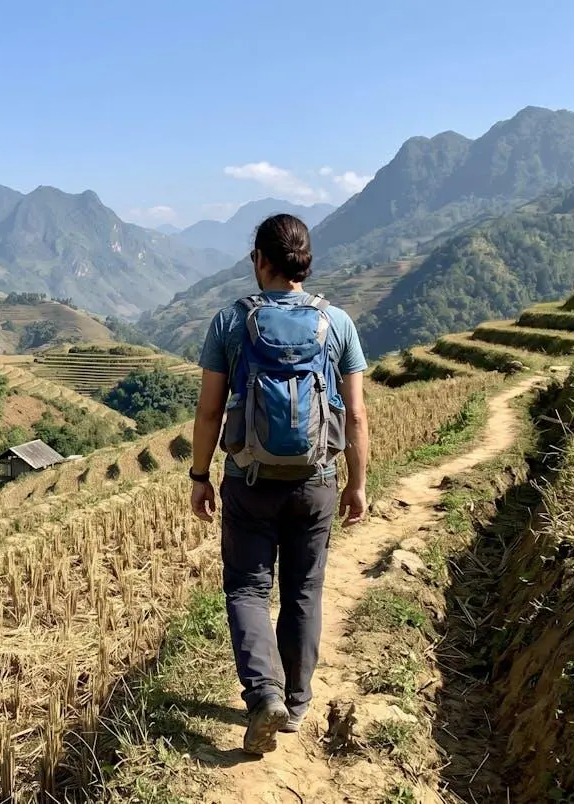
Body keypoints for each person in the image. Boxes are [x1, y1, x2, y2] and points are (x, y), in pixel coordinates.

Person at [188, 213, 370, 755]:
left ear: (260, 261)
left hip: (248, 477)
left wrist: (200, 476)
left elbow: (208, 410)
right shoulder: (337, 323)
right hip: (316, 480)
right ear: (304, 263)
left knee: (247, 587)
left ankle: (262, 692)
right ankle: (294, 702)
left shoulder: (229, 321)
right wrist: (356, 484)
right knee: (304, 589)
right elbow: (356, 415)